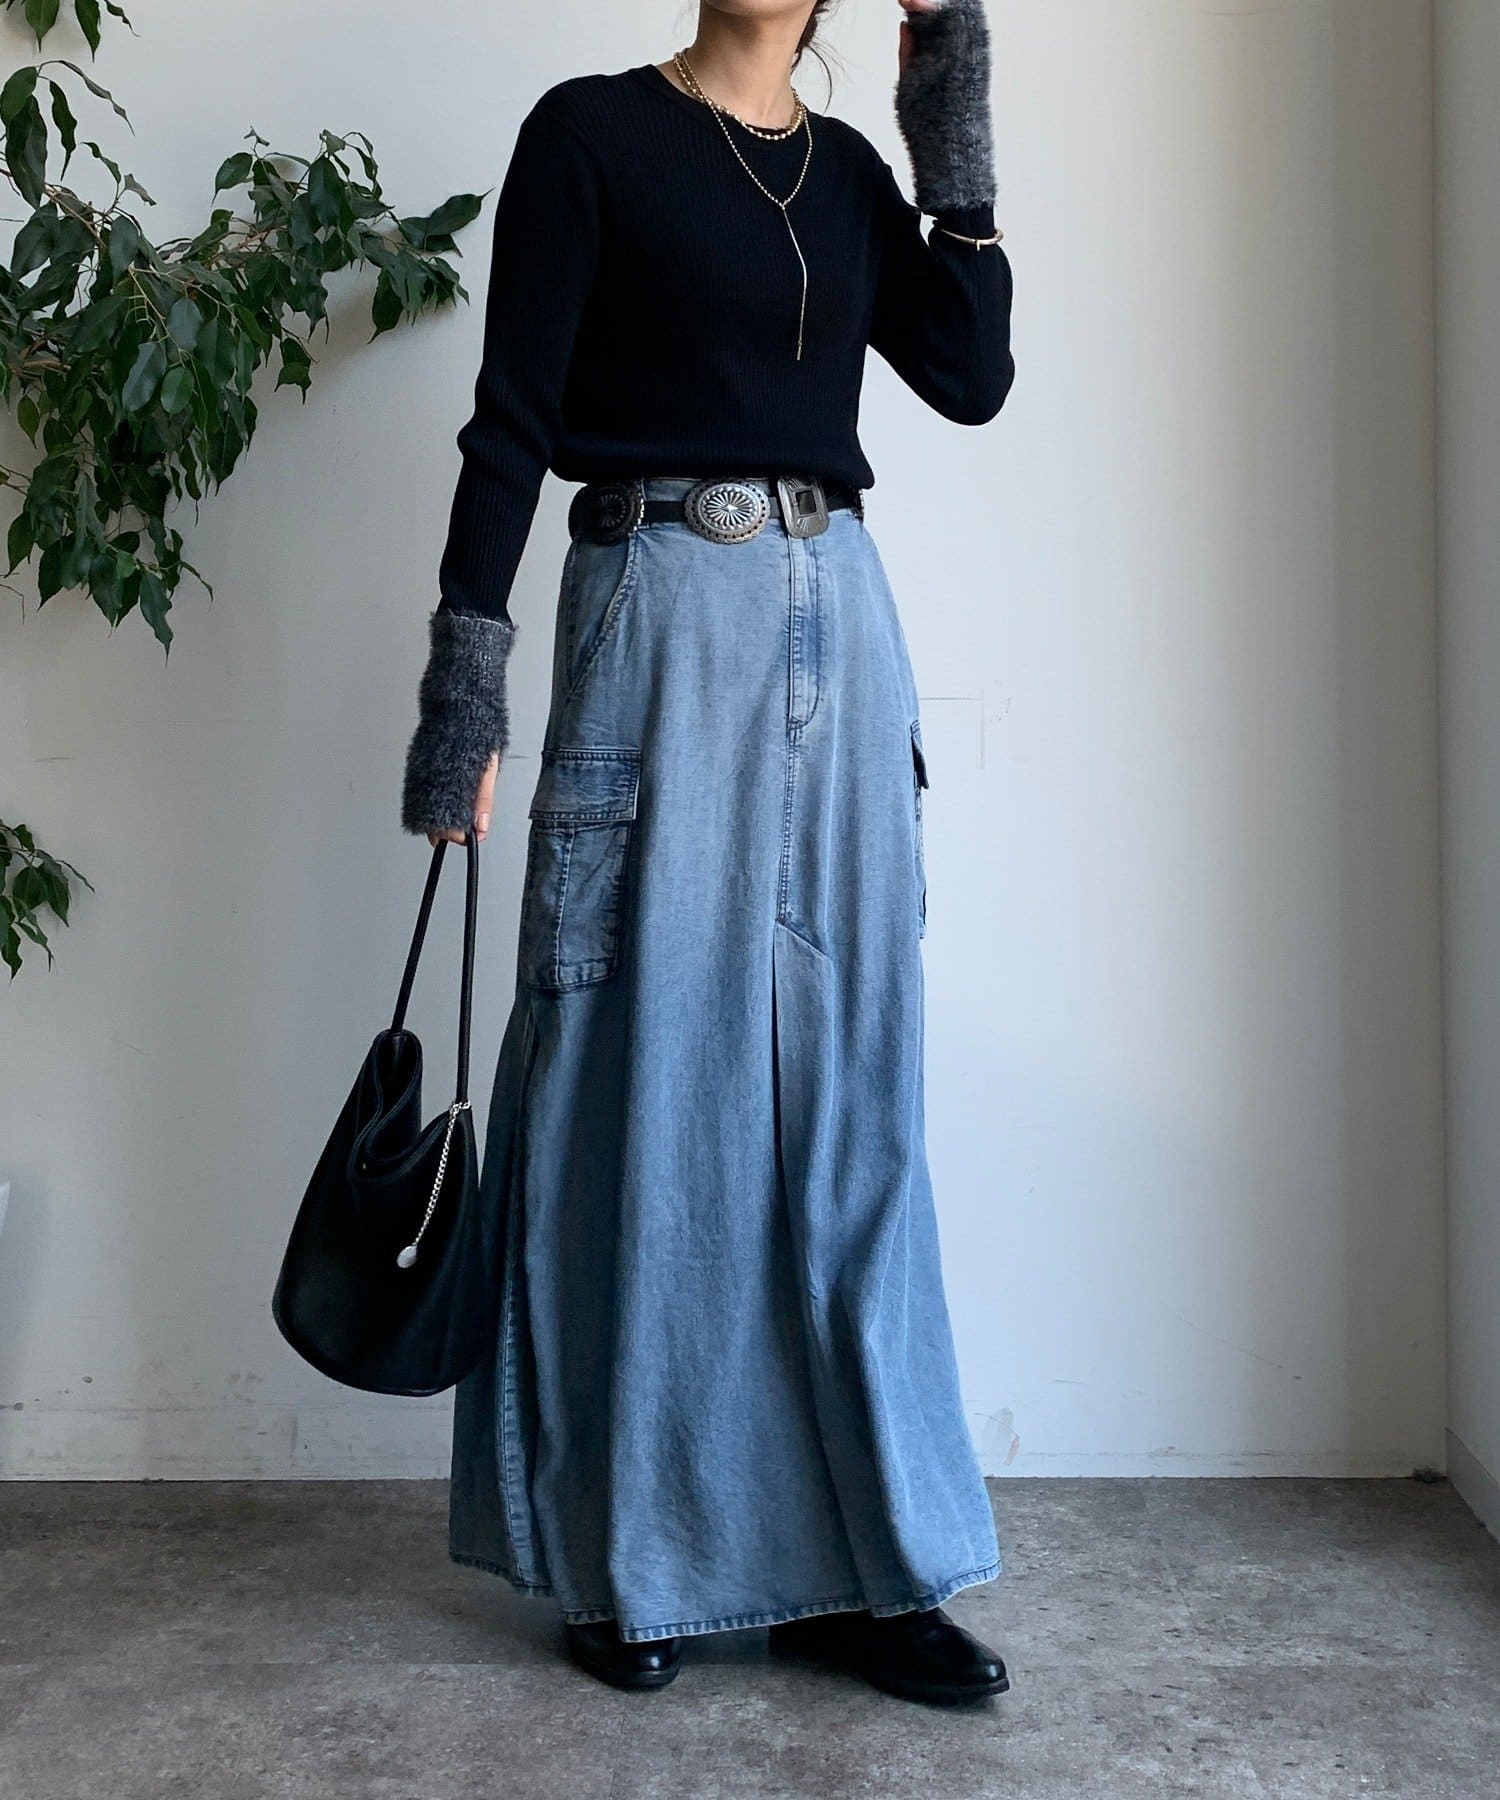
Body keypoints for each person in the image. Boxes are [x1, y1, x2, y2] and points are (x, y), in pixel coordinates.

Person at [400, 0, 1016, 1705]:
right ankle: (635, 1559)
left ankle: (867, 1570)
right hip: (656, 616)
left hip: (842, 628)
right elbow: (509, 421)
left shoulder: (853, 179)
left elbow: (971, 379)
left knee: (850, 1100)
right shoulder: (589, 135)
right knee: (644, 1081)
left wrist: (952, 112)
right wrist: (465, 695)